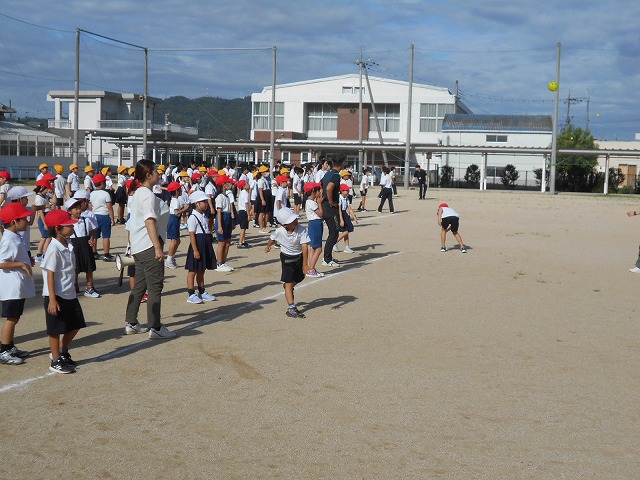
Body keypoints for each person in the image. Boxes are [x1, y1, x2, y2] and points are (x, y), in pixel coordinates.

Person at [124, 159, 175, 339]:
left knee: (140, 285)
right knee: (155, 287)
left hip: (139, 246)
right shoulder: (146, 194)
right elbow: (149, 221)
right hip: (148, 246)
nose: (159, 175)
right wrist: (157, 247)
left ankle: (131, 322)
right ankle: (155, 327)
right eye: (156, 172)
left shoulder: (139, 193)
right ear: (148, 175)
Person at [42, 209, 87, 374]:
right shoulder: (53, 248)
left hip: (69, 293)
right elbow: (50, 274)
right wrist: (52, 299)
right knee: (55, 329)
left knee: (76, 324)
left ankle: (62, 351)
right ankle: (55, 360)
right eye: (68, 226)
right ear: (57, 229)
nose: (72, 228)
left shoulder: (68, 245)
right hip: (56, 295)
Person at [0, 203, 36, 365]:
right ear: (14, 222)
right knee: (12, 318)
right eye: (23, 218)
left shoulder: (15, 236)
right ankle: (4, 350)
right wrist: (21, 264)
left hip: (18, 285)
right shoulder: (8, 239)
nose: (27, 220)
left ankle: (10, 346)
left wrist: (27, 260)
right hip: (12, 287)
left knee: (15, 316)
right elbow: (1, 262)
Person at [265, 207, 310, 318]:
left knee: (300, 277)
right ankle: (291, 308)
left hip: (298, 257)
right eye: (291, 221)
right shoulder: (280, 231)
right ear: (285, 225)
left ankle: (287, 286)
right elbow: (273, 238)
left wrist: (305, 264)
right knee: (289, 282)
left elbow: (305, 247)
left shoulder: (302, 230)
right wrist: (268, 245)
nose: (295, 221)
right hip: (286, 258)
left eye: (295, 219)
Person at [184, 191, 217, 304]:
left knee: (201, 269)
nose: (206, 203)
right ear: (197, 204)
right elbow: (192, 235)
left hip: (205, 243)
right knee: (193, 270)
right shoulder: (193, 217)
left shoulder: (203, 215)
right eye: (203, 202)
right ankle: (191, 293)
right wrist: (195, 250)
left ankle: (202, 291)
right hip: (198, 244)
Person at [65, 198, 99, 298]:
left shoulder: (86, 220)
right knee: (74, 268)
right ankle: (74, 286)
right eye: (76, 209)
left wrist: (91, 239)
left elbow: (92, 230)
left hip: (85, 246)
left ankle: (89, 287)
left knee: (89, 268)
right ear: (69, 211)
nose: (79, 210)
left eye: (79, 208)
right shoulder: (68, 223)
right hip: (74, 247)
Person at [321, 153, 344, 267]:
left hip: (325, 206)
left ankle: (328, 257)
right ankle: (327, 259)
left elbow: (320, 185)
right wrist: (331, 201)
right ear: (342, 163)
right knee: (334, 233)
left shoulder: (328, 173)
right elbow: (329, 187)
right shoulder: (335, 175)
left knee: (333, 232)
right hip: (330, 207)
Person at [89, 173, 115, 262]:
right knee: (106, 236)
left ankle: (94, 252)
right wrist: (112, 218)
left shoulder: (91, 194)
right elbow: (109, 207)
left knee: (95, 236)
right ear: (102, 183)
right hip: (104, 216)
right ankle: (106, 254)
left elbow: (90, 206)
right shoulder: (106, 194)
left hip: (94, 216)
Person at [165, 181, 189, 269]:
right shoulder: (175, 200)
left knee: (177, 241)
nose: (181, 190)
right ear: (176, 191)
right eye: (179, 189)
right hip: (173, 220)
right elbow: (176, 212)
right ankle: (169, 259)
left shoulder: (176, 200)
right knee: (174, 241)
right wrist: (185, 208)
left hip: (175, 220)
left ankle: (172, 257)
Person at [214, 175, 235, 272]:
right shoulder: (219, 197)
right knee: (221, 242)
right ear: (223, 184)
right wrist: (220, 225)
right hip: (222, 218)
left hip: (227, 218)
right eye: (227, 182)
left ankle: (223, 261)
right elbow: (219, 211)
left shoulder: (227, 196)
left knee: (227, 242)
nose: (229, 184)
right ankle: (219, 263)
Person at [303, 181, 324, 277]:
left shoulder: (309, 201)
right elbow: (320, 214)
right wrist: (319, 203)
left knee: (313, 248)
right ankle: (311, 269)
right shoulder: (312, 203)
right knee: (318, 249)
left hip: (313, 224)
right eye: (318, 190)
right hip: (316, 224)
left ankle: (312, 268)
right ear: (313, 192)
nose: (320, 192)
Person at [33, 179, 55, 262]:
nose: (47, 191)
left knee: (45, 238)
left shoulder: (43, 196)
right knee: (47, 237)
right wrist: (45, 223)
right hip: (43, 219)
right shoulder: (39, 198)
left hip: (46, 217)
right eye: (46, 189)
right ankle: (44, 255)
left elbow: (54, 200)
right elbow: (40, 212)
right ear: (42, 187)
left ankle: (40, 254)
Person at [336, 183, 358, 253]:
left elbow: (349, 208)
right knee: (345, 231)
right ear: (341, 191)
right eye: (346, 191)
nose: (348, 192)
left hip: (345, 214)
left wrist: (354, 217)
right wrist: (341, 219)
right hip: (340, 215)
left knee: (347, 231)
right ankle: (334, 242)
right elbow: (339, 209)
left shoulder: (347, 198)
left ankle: (347, 247)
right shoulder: (339, 198)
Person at [236, 180, 251, 249]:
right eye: (247, 184)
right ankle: (240, 242)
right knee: (243, 228)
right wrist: (248, 214)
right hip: (244, 211)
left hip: (241, 211)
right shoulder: (245, 193)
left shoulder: (242, 193)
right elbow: (246, 204)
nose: (248, 184)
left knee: (244, 227)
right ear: (244, 186)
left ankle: (243, 241)